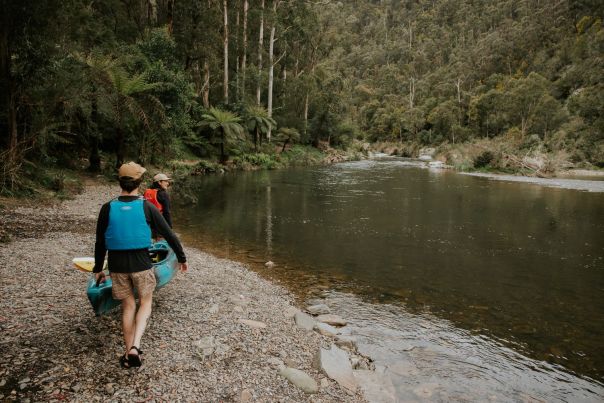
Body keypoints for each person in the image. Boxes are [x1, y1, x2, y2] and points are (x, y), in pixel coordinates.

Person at [93, 162, 188, 368]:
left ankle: (128, 354)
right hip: (142, 265)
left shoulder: (107, 208)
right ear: (139, 183)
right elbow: (169, 234)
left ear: (120, 182)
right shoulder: (147, 206)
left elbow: (100, 242)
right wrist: (181, 257)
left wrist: (98, 269)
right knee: (145, 303)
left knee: (128, 306)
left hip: (117, 267)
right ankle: (136, 346)